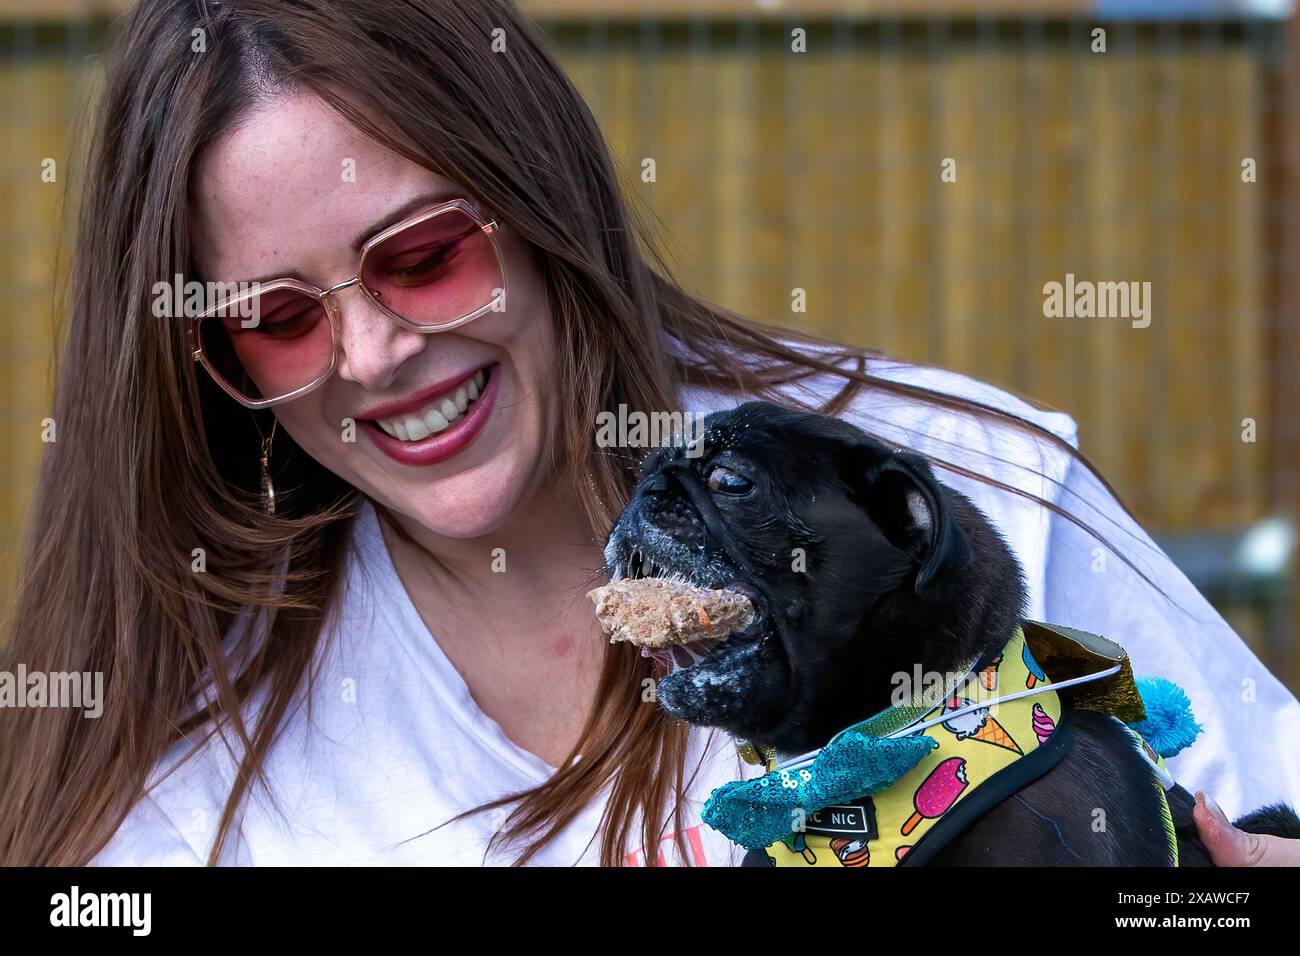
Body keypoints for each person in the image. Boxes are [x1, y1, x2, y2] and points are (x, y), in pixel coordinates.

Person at [0, 0, 1296, 867]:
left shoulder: (959, 495)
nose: (375, 352)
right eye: (278, 317)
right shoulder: (185, 791)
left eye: (424, 255)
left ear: (538, 201)